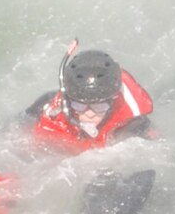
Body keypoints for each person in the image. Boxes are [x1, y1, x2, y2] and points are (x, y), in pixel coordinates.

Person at [23, 41, 154, 152]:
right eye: (79, 106)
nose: (89, 114)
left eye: (99, 107)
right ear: (68, 101)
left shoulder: (132, 125)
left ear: (113, 102)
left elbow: (156, 150)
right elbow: (13, 133)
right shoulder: (46, 106)